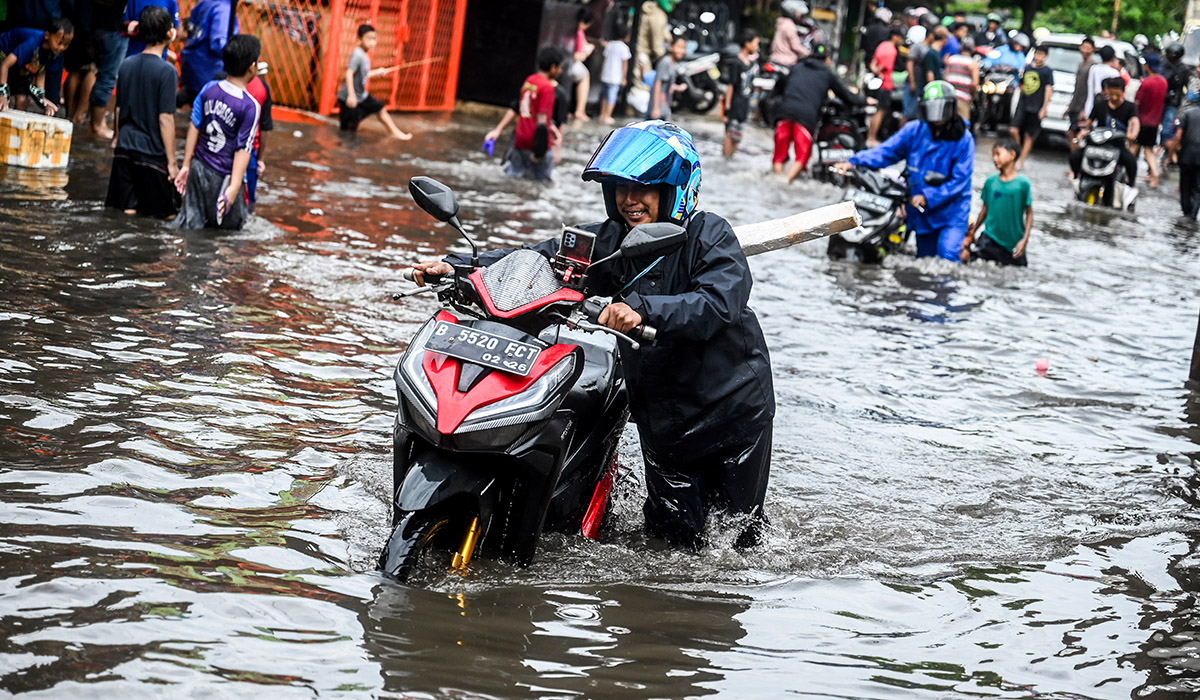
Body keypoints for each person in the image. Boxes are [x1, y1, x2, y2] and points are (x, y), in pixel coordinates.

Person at [410, 120, 776, 551]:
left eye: (643, 189)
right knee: (670, 541)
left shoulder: (710, 235)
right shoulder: (609, 240)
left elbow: (718, 302)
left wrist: (640, 310)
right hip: (663, 415)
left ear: (674, 190)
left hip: (728, 412)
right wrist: (459, 267)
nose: (629, 199)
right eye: (620, 188)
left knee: (736, 541)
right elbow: (539, 259)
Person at [836, 80, 974, 262]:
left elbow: (959, 181)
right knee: (925, 260)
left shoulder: (964, 139)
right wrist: (854, 162)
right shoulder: (914, 131)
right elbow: (886, 152)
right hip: (921, 211)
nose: (937, 117)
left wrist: (927, 196)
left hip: (952, 211)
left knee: (947, 255)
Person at [173, 34, 261, 230]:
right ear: (252, 67)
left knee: (190, 225)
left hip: (198, 168)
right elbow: (243, 148)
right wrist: (235, 186)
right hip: (224, 177)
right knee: (229, 233)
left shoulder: (209, 89)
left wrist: (186, 165)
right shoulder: (250, 106)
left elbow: (194, 125)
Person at [105, 6, 177, 218]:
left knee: (126, 211)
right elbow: (165, 118)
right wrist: (172, 163)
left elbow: (119, 107)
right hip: (151, 152)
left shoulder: (126, 64)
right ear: (169, 34)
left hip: (124, 149)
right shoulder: (167, 71)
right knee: (165, 215)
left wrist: (117, 138)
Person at [774, 43, 868, 182]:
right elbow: (846, 95)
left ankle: (776, 181)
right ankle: (785, 182)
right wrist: (865, 100)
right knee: (802, 156)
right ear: (827, 59)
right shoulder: (827, 73)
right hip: (805, 118)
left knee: (779, 155)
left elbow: (780, 87)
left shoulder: (797, 67)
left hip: (784, 113)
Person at [482, 45, 565, 181]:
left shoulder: (529, 81)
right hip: (536, 143)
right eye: (559, 67)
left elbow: (520, 108)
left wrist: (498, 129)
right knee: (542, 185)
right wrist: (539, 152)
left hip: (520, 140)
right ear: (552, 67)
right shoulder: (547, 88)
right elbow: (541, 121)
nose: (560, 71)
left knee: (513, 177)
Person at [961, 138, 1032, 266]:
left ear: (1012, 155)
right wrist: (972, 233)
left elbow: (1029, 213)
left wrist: (1024, 240)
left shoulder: (1023, 183)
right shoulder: (991, 181)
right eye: (993, 155)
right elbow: (984, 210)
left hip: (1013, 243)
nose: (994, 158)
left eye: (998, 154)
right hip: (990, 238)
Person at [336, 23, 412, 140]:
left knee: (380, 109)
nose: (372, 42)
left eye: (374, 39)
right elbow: (349, 74)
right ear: (359, 40)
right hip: (349, 98)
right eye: (368, 39)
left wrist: (378, 72)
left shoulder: (364, 56)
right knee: (347, 129)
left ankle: (395, 132)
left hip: (361, 95)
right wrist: (351, 96)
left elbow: (363, 75)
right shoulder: (358, 55)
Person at [1071, 76, 1139, 187]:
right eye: (1111, 94)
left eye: (1117, 95)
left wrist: (1133, 134)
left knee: (1131, 161)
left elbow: (1135, 122)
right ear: (1107, 91)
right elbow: (1089, 123)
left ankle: (1130, 185)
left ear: (1123, 92)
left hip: (1116, 145)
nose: (1114, 97)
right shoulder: (1100, 105)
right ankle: (1077, 178)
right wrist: (1082, 132)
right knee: (1075, 156)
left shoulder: (1130, 107)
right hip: (1097, 144)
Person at [0, 18, 72, 115]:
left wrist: (43, 99)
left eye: (66, 45)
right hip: (4, 58)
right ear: (47, 35)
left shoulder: (55, 53)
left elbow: (41, 72)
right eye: (59, 43)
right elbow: (5, 65)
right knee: (2, 101)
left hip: (20, 66)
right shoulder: (32, 43)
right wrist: (2, 94)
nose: (62, 47)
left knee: (23, 100)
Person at [179, 0, 237, 106]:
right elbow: (218, 44)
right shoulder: (223, 9)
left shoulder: (205, 2)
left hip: (192, 67)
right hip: (208, 73)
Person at [1009, 43, 1053, 170]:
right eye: (1037, 54)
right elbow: (1022, 86)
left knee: (1029, 135)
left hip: (1036, 106)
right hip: (1024, 104)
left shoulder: (1047, 71)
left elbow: (1048, 89)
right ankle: (1018, 151)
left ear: (1045, 56)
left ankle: (1021, 160)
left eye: (1041, 54)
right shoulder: (1028, 68)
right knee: (1013, 129)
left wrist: (1044, 108)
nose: (1038, 57)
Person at [721, 28, 757, 158]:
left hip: (744, 105)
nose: (756, 47)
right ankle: (725, 158)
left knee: (738, 136)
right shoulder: (736, 62)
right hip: (735, 104)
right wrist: (727, 107)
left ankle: (730, 158)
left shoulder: (750, 64)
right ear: (747, 43)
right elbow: (731, 86)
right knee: (730, 133)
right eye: (755, 43)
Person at [1133, 52, 1166, 188]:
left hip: (1142, 121)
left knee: (1136, 148)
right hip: (1155, 122)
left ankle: (1151, 173)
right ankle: (1151, 174)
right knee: (1148, 149)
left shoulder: (1146, 83)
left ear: (1148, 65)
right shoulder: (1163, 82)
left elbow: (1137, 101)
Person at [867, 26, 904, 145]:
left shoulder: (882, 45)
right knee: (880, 112)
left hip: (877, 84)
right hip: (885, 85)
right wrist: (880, 72)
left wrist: (876, 72)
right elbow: (884, 67)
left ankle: (870, 136)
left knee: (876, 111)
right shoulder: (892, 50)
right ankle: (872, 138)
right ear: (895, 37)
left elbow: (873, 64)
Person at [1166, 89, 1200, 218]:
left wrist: (1170, 155)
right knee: (1198, 188)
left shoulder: (1187, 113)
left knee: (1185, 186)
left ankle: (1186, 213)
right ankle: (1193, 215)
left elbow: (1177, 136)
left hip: (1186, 156)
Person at [244, 67, 273, 212]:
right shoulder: (261, 86)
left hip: (219, 151)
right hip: (248, 151)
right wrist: (260, 159)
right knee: (248, 204)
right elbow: (265, 127)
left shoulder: (218, 82)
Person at [1065, 37, 1097, 151]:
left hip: (1083, 107)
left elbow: (1092, 90)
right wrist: (1070, 106)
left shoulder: (1093, 66)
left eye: (1087, 48)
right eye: (1083, 47)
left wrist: (1085, 109)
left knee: (1075, 133)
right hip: (1075, 105)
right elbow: (1077, 88)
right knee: (1071, 132)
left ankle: (1076, 157)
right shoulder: (1081, 64)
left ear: (1093, 50)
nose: (1084, 50)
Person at [768, 0, 822, 67]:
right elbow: (795, 46)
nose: (799, 15)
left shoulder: (781, 23)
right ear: (792, 12)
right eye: (798, 13)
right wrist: (809, 54)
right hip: (786, 61)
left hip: (775, 58)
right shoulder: (789, 25)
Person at [1162, 42, 1189, 170]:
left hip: (1173, 103)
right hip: (1162, 100)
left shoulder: (1183, 69)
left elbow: (1186, 87)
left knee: (1167, 130)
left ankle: (1171, 154)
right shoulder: (1164, 65)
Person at [597, 23, 630, 125]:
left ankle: (602, 114)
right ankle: (608, 115)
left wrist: (602, 71)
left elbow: (604, 59)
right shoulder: (624, 48)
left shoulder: (609, 45)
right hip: (615, 76)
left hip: (606, 74)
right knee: (612, 96)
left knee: (605, 96)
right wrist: (624, 77)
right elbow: (624, 64)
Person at [634, 0, 671, 85]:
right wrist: (666, 57)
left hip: (640, 51)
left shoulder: (654, 12)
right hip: (642, 53)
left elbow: (664, 33)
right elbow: (656, 45)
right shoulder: (658, 16)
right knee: (644, 84)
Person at [902, 25, 934, 124]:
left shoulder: (929, 48)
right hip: (914, 83)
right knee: (908, 114)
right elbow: (909, 63)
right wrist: (912, 82)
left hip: (921, 84)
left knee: (917, 115)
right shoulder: (917, 46)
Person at [648, 35, 685, 120]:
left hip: (664, 107)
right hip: (658, 108)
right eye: (679, 47)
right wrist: (656, 108)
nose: (682, 51)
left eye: (684, 48)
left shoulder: (673, 63)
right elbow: (658, 83)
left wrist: (677, 88)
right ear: (671, 47)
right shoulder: (665, 62)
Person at [943, 36, 978, 122]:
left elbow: (945, 79)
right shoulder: (972, 63)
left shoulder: (951, 59)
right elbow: (975, 84)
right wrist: (973, 97)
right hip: (963, 99)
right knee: (963, 125)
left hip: (949, 97)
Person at [1082, 44, 1121, 122]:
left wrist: (1087, 110)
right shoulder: (1114, 72)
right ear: (1113, 57)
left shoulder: (1094, 69)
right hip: (1108, 105)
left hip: (1094, 102)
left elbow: (1090, 89)